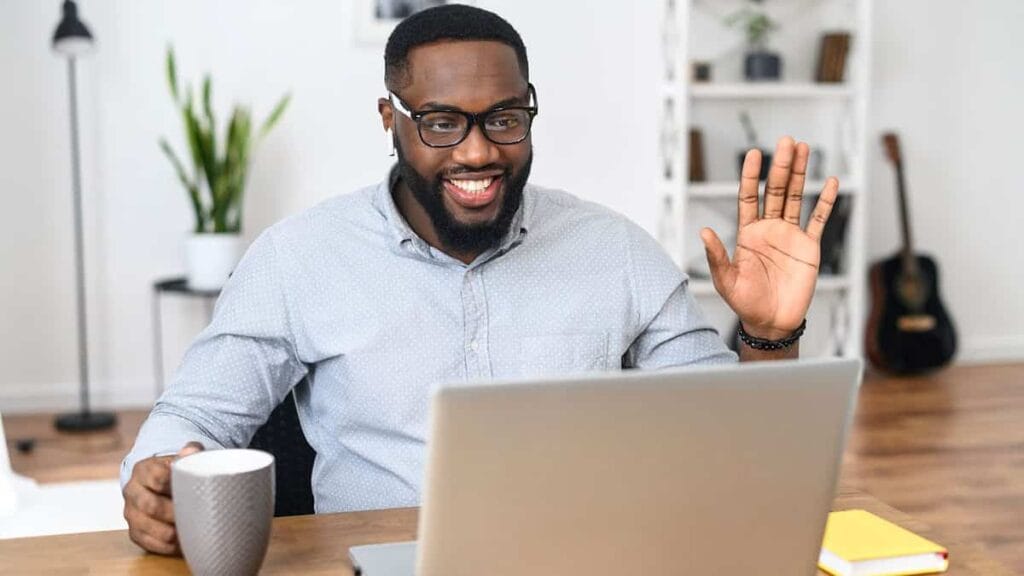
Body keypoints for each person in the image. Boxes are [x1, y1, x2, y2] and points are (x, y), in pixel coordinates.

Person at [121, 5, 839, 555]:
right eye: (440, 122)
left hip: (588, 556)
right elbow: (194, 416)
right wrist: (159, 479)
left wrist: (769, 336)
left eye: (503, 118)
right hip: (384, 560)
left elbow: (726, 439)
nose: (476, 151)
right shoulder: (298, 258)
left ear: (528, 106)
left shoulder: (614, 250)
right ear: (389, 118)